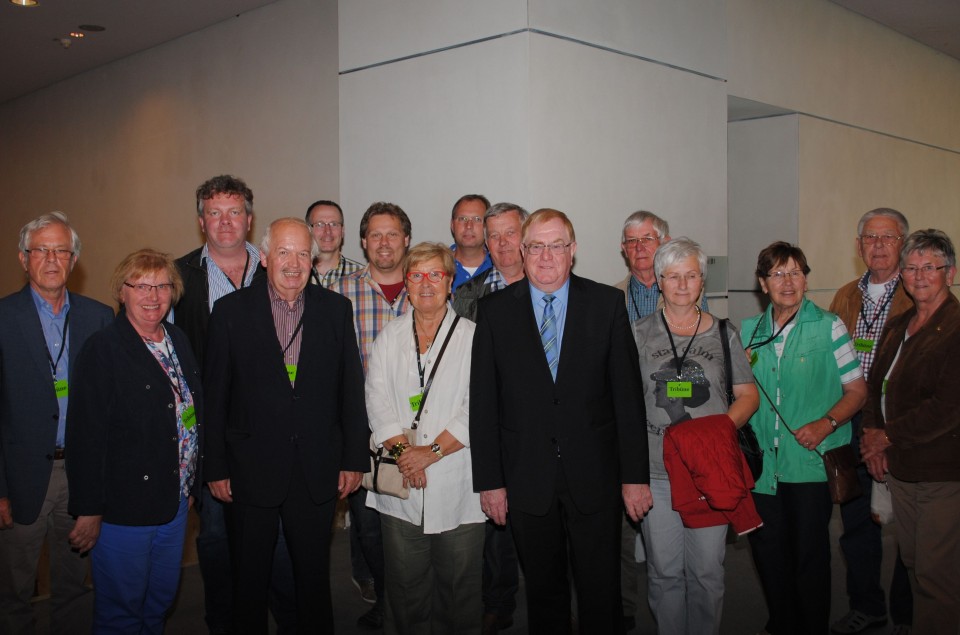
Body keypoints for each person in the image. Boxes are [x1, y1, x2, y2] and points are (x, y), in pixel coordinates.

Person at [470, 208, 652, 633]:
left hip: (595, 474)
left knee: (599, 588)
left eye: (557, 245)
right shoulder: (494, 312)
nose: (546, 256)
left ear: (573, 251)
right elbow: (484, 405)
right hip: (526, 476)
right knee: (543, 591)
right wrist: (490, 482)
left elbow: (628, 399)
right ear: (522, 249)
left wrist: (635, 477)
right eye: (536, 246)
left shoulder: (606, 304)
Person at [204, 218, 369, 634]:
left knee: (314, 579)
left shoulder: (335, 309)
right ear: (264, 258)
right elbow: (216, 396)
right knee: (250, 581)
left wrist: (353, 459)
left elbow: (350, 389)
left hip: (316, 468)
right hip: (249, 469)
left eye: (301, 253)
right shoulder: (231, 312)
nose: (293, 263)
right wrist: (216, 468)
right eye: (283, 252)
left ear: (312, 260)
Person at [174, 174, 294, 634]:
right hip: (212, 435)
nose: (225, 222)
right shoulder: (179, 276)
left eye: (235, 212)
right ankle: (224, 622)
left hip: (272, 435)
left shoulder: (277, 268)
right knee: (219, 539)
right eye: (214, 213)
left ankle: (288, 619)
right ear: (201, 220)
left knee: (278, 540)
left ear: (250, 218)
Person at [66, 249, 202, 633]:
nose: (152, 296)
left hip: (174, 502)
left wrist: (190, 481)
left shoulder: (177, 339)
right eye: (141, 286)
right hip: (125, 507)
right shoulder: (103, 349)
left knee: (159, 598)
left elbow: (194, 411)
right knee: (122, 608)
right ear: (121, 292)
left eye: (161, 286)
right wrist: (89, 509)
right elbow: (85, 436)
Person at [632, 237, 760, 634]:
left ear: (702, 282)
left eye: (691, 276)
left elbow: (748, 395)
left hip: (710, 472)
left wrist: (715, 432)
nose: (683, 285)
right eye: (673, 276)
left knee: (707, 572)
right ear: (659, 281)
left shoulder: (725, 333)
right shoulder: (637, 334)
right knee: (664, 573)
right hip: (656, 472)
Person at [742, 241, 867, 635]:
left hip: (809, 465)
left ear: (806, 280)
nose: (787, 281)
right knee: (768, 554)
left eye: (795, 272)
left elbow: (857, 391)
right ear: (763, 284)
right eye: (777, 274)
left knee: (809, 557)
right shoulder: (748, 332)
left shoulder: (828, 326)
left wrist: (826, 424)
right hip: (763, 469)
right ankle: (782, 622)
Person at [0, 212, 112, 634]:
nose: (51, 259)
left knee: (75, 585)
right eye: (40, 250)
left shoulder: (99, 318)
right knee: (13, 592)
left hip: (81, 477)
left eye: (60, 250)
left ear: (74, 259)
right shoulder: (3, 319)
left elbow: (107, 412)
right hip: (21, 476)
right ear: (23, 258)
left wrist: (97, 497)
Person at [366, 242, 486, 633]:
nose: (426, 283)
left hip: (457, 482)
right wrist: (405, 454)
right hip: (401, 482)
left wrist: (430, 453)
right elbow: (377, 401)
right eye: (416, 275)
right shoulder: (389, 336)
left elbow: (478, 407)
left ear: (450, 283)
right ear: (407, 284)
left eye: (436, 274)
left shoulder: (473, 337)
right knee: (404, 593)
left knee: (460, 594)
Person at [861, 229, 960, 635]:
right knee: (915, 564)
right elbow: (875, 383)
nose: (919, 276)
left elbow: (947, 408)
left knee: (937, 574)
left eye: (930, 268)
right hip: (901, 466)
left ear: (949, 274)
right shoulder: (900, 323)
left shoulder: (955, 328)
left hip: (940, 471)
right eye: (911, 268)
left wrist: (887, 436)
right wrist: (871, 435)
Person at [828, 208, 913, 635]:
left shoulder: (918, 293)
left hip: (900, 430)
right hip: (850, 424)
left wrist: (885, 433)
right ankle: (868, 605)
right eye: (870, 237)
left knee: (909, 531)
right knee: (855, 526)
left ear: (904, 243)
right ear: (858, 245)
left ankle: (907, 612)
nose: (877, 245)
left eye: (888, 237)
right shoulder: (845, 295)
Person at [451, 202, 527, 635]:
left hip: (542, 429)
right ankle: (498, 602)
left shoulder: (550, 287)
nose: (500, 244)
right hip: (493, 425)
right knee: (495, 523)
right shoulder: (468, 296)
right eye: (492, 235)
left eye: (509, 234)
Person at [336, 201, 413, 629]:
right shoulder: (339, 295)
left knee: (416, 521)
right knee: (369, 525)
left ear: (406, 240)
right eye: (375, 235)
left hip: (420, 429)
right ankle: (387, 600)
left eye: (393, 234)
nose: (384, 242)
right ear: (363, 242)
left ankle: (419, 600)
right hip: (362, 430)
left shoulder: (428, 287)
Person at [305, 199, 363, 288]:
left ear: (342, 231)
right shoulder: (296, 274)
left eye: (334, 224)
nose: (327, 231)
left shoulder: (362, 276)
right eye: (320, 224)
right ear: (308, 231)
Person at [449, 194, 493, 291]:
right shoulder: (437, 266)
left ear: (488, 226)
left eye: (477, 219)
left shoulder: (499, 267)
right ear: (452, 225)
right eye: (462, 219)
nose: (469, 226)